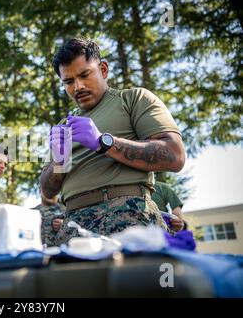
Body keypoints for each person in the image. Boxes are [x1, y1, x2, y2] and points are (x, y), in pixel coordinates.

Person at [40, 38, 185, 244]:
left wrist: (103, 142)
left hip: (129, 216)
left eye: (84, 75)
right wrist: (59, 161)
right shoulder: (63, 126)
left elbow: (174, 156)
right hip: (73, 226)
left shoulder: (134, 99)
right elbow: (47, 191)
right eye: (69, 81)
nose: (78, 86)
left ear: (103, 69)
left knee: (134, 277)